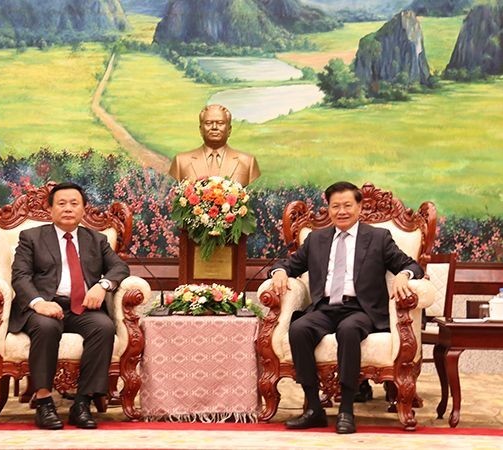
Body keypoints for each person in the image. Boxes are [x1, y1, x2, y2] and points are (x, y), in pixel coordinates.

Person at [269, 181, 424, 434]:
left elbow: (411, 265)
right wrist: (279, 273)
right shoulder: (316, 239)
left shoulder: (378, 237)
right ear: (329, 209)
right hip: (325, 308)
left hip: (361, 310)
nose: (341, 211)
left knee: (349, 330)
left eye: (347, 205)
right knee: (298, 329)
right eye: (335, 206)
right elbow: (290, 264)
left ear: (359, 207)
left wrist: (404, 276)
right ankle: (313, 410)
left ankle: (347, 409)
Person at [10, 182, 130, 430]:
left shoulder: (96, 240)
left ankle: (82, 404)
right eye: (61, 204)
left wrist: (103, 285)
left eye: (74, 204)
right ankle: (43, 401)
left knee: (104, 327)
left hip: (82, 306)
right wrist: (38, 303)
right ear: (50, 209)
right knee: (46, 327)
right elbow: (20, 276)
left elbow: (120, 268)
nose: (68, 209)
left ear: (84, 209)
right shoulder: (31, 237)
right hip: (44, 306)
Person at [168, 104, 261, 186]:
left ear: (229, 129)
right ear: (201, 129)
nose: (214, 127)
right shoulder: (181, 162)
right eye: (208, 123)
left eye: (220, 123)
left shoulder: (248, 162)